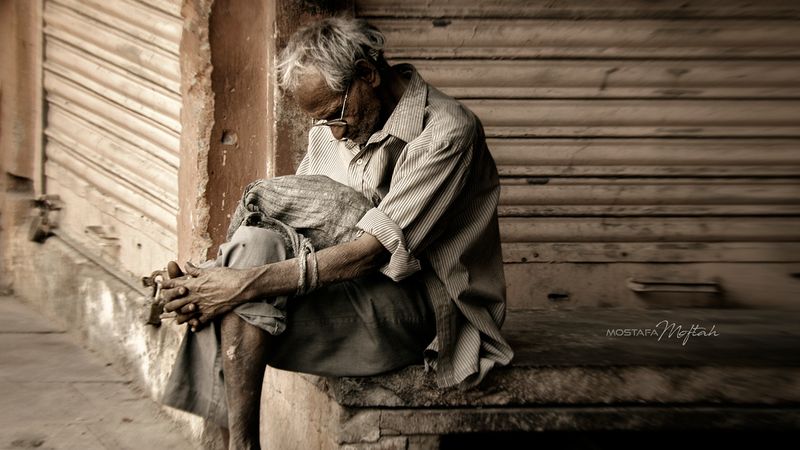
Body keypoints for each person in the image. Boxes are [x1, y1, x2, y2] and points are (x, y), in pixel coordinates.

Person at [156, 17, 514, 450]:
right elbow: (292, 230)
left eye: (337, 116)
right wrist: (207, 279)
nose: (335, 131)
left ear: (368, 74)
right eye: (324, 122)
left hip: (422, 307)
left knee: (239, 294)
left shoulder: (447, 132)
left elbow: (371, 254)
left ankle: (233, 445)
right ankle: (238, 445)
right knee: (251, 250)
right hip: (346, 289)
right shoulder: (332, 127)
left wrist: (234, 286)